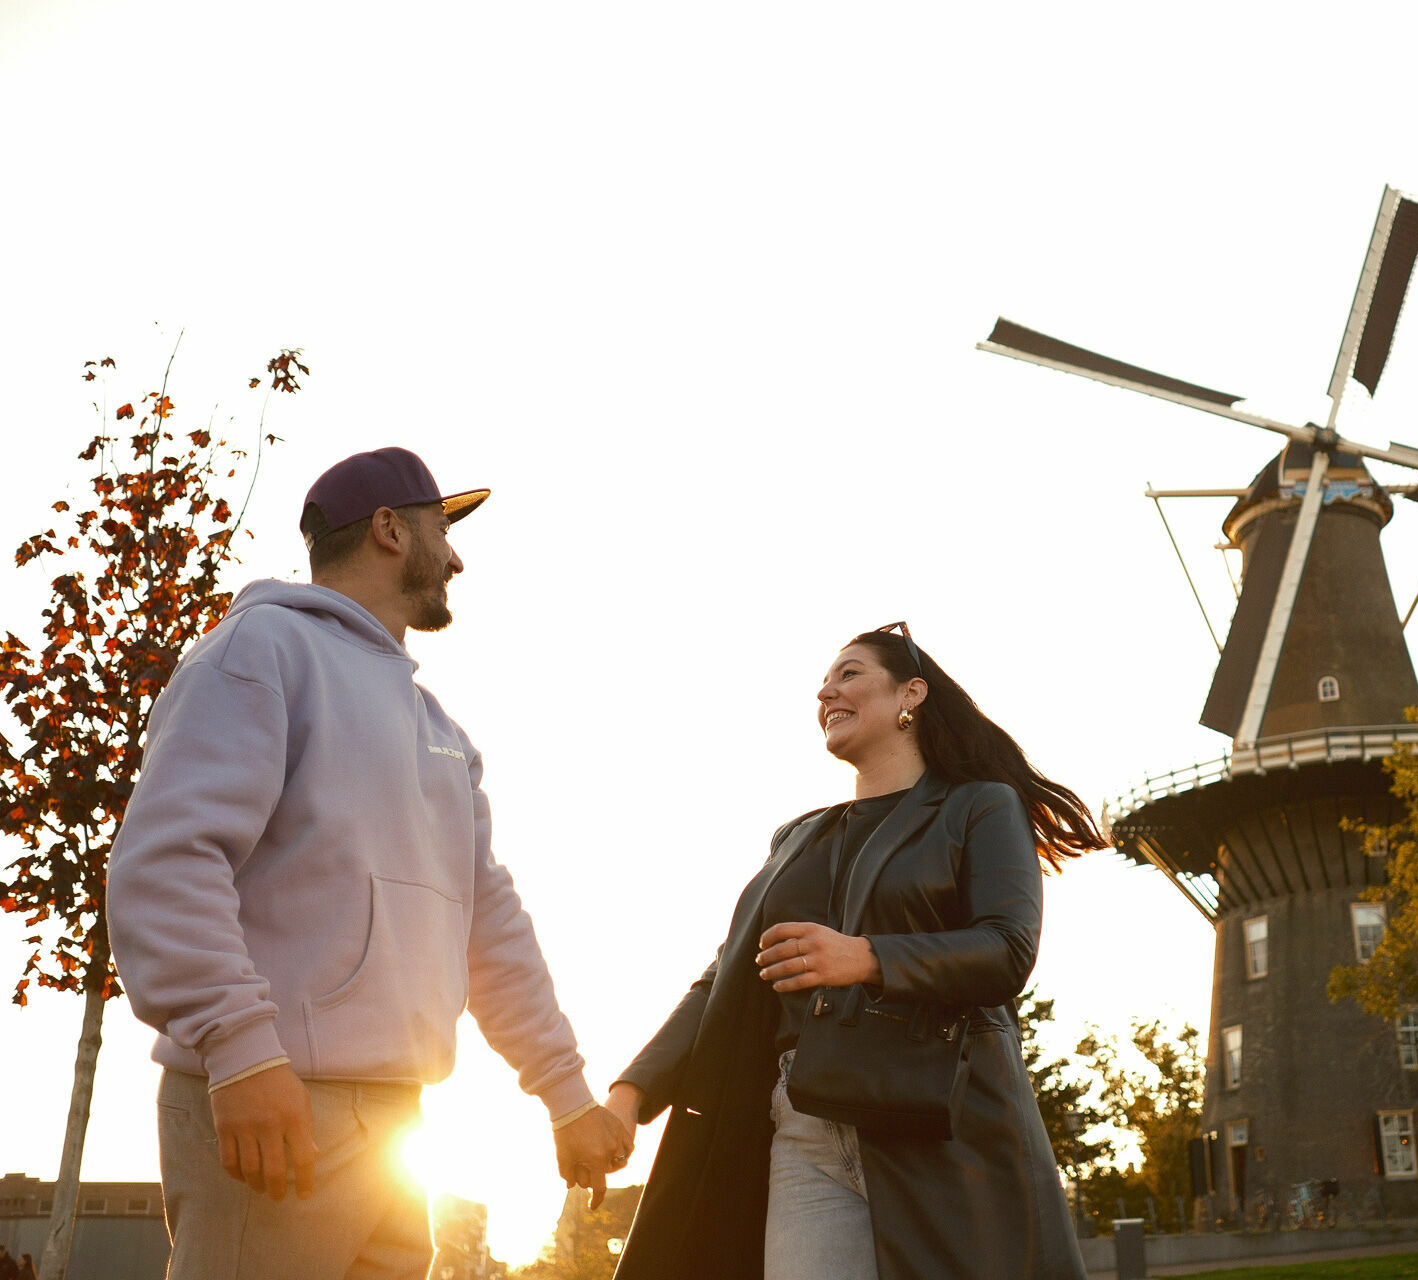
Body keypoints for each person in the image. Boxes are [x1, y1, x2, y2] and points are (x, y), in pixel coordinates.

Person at [106, 447, 632, 1280]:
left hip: (398, 1123)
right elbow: (165, 864)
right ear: (389, 529)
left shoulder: (442, 732)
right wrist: (241, 1050)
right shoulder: (258, 651)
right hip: (278, 1099)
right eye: (440, 530)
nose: (456, 556)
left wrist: (566, 1095)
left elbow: (490, 927)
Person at [605, 623, 1103, 1279]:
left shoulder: (980, 807)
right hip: (807, 1127)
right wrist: (629, 1093)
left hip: (945, 1128)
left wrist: (866, 959)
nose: (826, 690)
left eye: (849, 673)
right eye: (824, 680)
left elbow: (1006, 949)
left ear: (912, 694)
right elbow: (725, 979)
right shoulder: (799, 838)